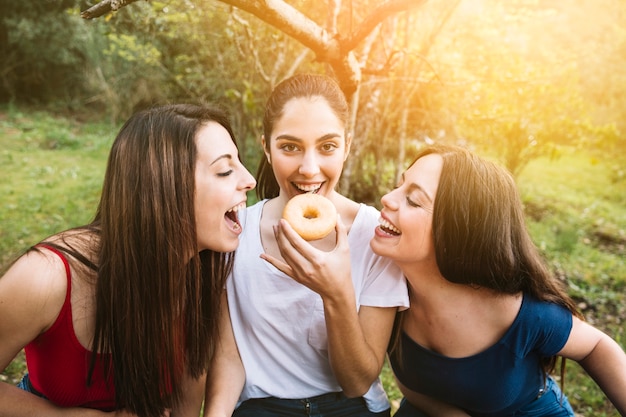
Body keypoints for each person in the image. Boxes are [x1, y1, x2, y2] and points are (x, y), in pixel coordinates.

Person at [0, 104, 256, 417]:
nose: (250, 179)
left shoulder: (205, 275)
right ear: (163, 188)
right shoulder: (46, 276)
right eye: (225, 170)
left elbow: (186, 405)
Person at [204, 73, 409, 417]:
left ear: (347, 145)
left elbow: (357, 382)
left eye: (327, 146)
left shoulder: (374, 235)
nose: (309, 168)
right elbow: (228, 355)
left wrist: (336, 293)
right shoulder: (235, 232)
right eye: (290, 147)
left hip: (350, 406)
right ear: (267, 148)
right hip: (262, 407)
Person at [369, 143, 626, 416]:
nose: (388, 198)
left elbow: (596, 347)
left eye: (413, 200)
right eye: (399, 185)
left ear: (457, 231)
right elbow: (408, 381)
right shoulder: (382, 287)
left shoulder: (517, 311)